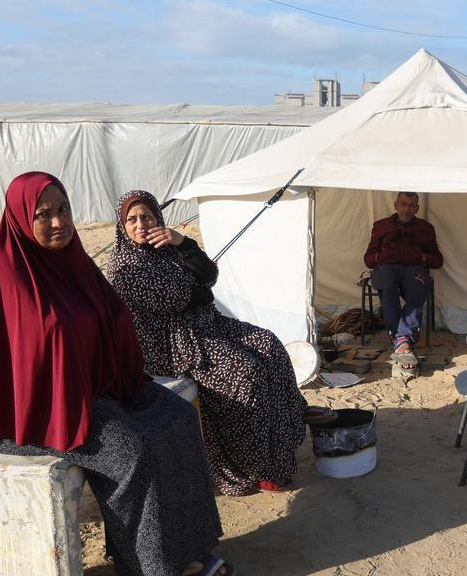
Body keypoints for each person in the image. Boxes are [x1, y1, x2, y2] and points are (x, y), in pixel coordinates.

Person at [0, 172, 233, 576]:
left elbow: (109, 315)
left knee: (176, 417)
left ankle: (192, 542)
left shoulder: (74, 261)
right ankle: (151, 562)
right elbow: (31, 357)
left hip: (89, 388)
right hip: (33, 410)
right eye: (43, 214)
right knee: (131, 450)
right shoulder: (2, 271)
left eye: (63, 210)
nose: (57, 223)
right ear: (19, 218)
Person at [107, 190, 313, 497]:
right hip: (173, 344)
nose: (141, 225)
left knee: (270, 346)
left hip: (206, 326)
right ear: (122, 226)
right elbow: (187, 297)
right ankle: (249, 468)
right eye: (132, 219)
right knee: (246, 372)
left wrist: (183, 242)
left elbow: (209, 274)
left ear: (158, 218)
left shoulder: (167, 248)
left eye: (147, 216)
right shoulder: (125, 267)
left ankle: (279, 448)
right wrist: (198, 287)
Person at [363, 191, 444, 370]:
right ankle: (404, 341)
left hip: (414, 269)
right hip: (386, 269)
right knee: (387, 288)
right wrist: (382, 257)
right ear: (395, 205)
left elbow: (437, 260)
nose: (406, 209)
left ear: (417, 208)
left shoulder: (425, 228)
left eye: (411, 205)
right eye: (403, 204)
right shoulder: (381, 226)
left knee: (417, 288)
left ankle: (401, 340)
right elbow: (368, 258)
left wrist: (421, 257)